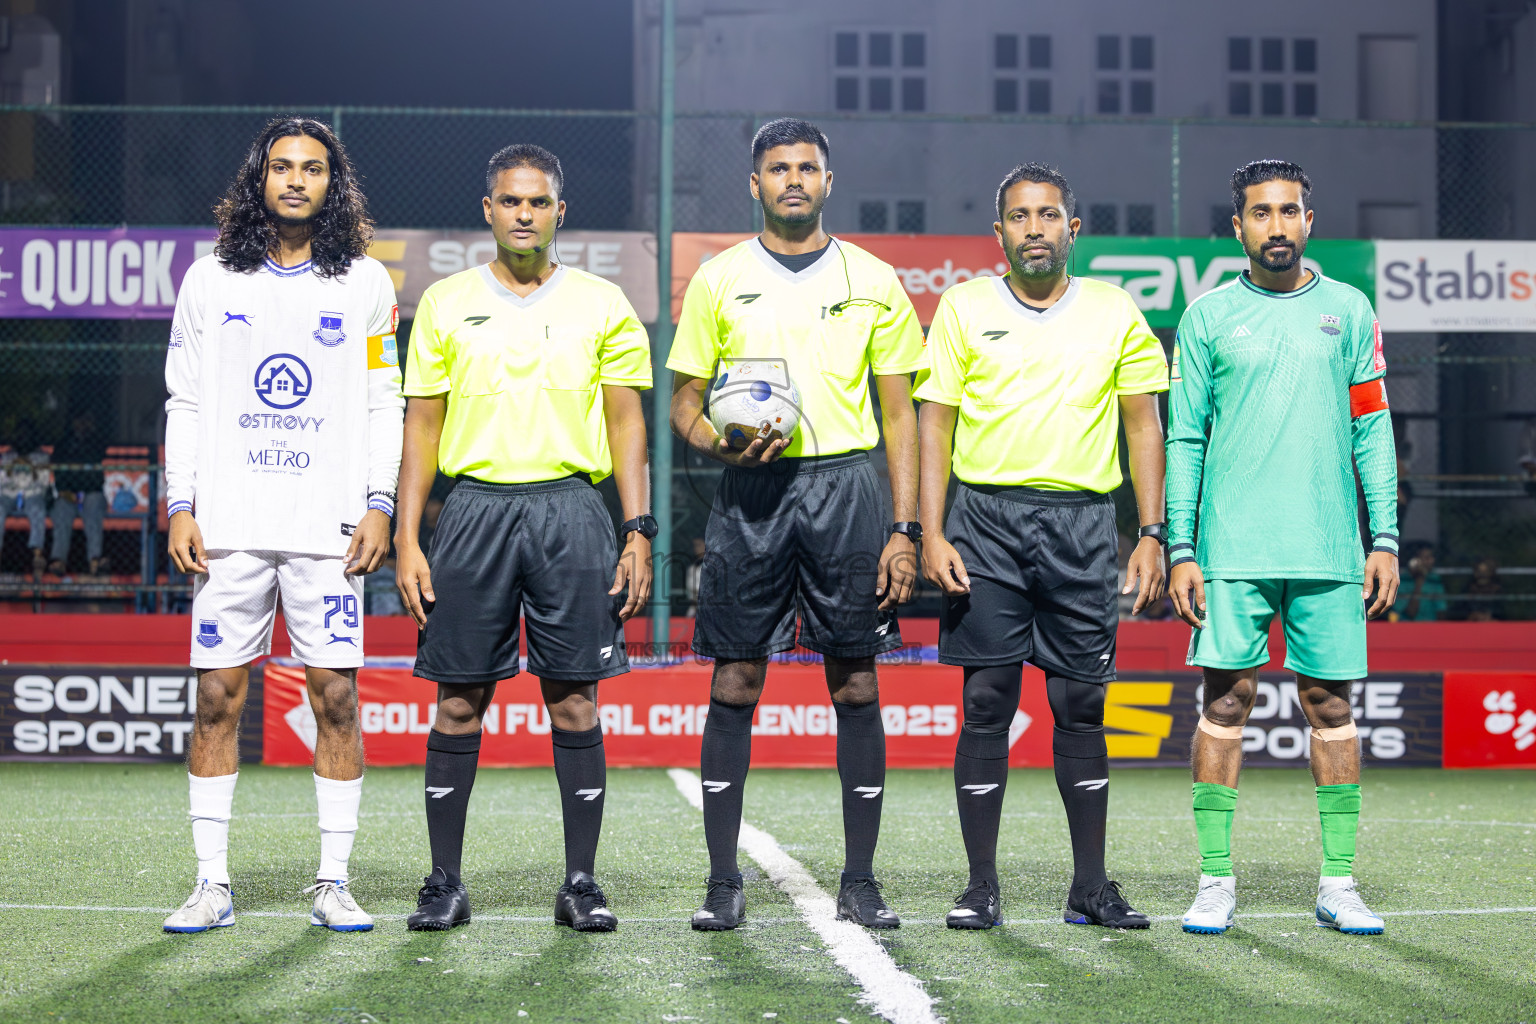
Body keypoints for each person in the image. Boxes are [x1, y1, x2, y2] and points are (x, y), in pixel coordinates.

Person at [667, 118, 924, 931]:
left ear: (828, 179)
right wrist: (722, 443)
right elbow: (681, 402)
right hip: (752, 494)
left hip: (847, 487)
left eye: (807, 167)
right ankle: (721, 881)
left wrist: (906, 529)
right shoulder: (717, 278)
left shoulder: (875, 278)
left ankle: (860, 879)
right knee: (735, 680)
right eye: (778, 168)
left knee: (855, 681)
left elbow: (901, 417)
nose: (793, 180)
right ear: (755, 184)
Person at [395, 144, 653, 933]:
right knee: (459, 700)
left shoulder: (604, 302)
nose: (524, 214)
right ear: (489, 209)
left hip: (572, 510)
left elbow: (625, 423)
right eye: (510, 201)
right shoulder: (443, 302)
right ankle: (443, 882)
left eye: (538, 202)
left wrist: (637, 528)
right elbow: (423, 428)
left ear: (559, 212)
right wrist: (409, 538)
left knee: (574, 700)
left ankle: (580, 883)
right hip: (472, 511)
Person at [160, 117, 403, 933]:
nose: (296, 180)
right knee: (216, 700)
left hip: (327, 531)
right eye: (282, 167)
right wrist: (181, 502)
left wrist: (380, 503)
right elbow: (185, 402)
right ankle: (211, 885)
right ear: (258, 180)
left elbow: (383, 402)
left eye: (313, 169)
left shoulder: (366, 283)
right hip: (229, 526)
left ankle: (333, 882)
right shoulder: (208, 281)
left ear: (334, 186)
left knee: (336, 699)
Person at [917, 162, 1168, 931]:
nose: (1035, 228)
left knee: (1081, 703)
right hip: (986, 523)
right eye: (1020, 217)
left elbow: (1142, 424)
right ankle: (980, 886)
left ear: (1072, 228)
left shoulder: (1114, 309)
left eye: (1048, 215)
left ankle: (1089, 887)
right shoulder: (961, 306)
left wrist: (1152, 531)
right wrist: (930, 530)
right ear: (998, 233)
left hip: (1084, 527)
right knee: (987, 699)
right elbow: (935, 422)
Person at [1167, 160, 1399, 937]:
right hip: (1231, 550)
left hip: (1330, 547)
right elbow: (1186, 437)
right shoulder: (1206, 318)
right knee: (1224, 703)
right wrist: (1181, 545)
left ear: (1309, 220)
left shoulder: (1350, 310)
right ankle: (1214, 879)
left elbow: (1373, 428)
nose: (1276, 225)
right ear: (1238, 227)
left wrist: (1385, 536)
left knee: (1331, 704)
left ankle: (1337, 881)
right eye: (1260, 213)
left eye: (1288, 211)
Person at [49, 411, 107, 575]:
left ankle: (95, 559)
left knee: (94, 505)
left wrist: (90, 435)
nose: (82, 426)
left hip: (91, 492)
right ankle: (58, 560)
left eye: (86, 422)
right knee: (61, 508)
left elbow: (100, 452)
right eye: (79, 421)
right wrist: (64, 490)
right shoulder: (63, 444)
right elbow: (58, 470)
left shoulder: (96, 442)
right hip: (68, 492)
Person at [2, 421, 51, 577]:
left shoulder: (41, 456)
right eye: (20, 434)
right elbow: (3, 482)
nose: (23, 438)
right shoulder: (8, 456)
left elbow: (42, 483)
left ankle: (37, 553)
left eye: (27, 434)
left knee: (37, 509)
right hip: (9, 494)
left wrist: (29, 466)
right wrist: (11, 471)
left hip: (32, 493)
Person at [1391, 542, 1446, 622]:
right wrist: (1419, 583)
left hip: (1431, 628)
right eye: (1427, 558)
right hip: (1407, 628)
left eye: (1432, 557)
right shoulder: (1402, 580)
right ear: (1414, 561)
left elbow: (1441, 611)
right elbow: (1410, 613)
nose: (1432, 561)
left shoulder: (1434, 579)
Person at [1462, 557, 1502, 622]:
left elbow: (1506, 615)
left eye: (1485, 572)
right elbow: (1457, 613)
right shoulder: (1467, 590)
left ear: (1491, 573)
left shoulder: (1499, 591)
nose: (1482, 575)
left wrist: (1491, 618)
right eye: (1479, 572)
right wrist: (1472, 616)